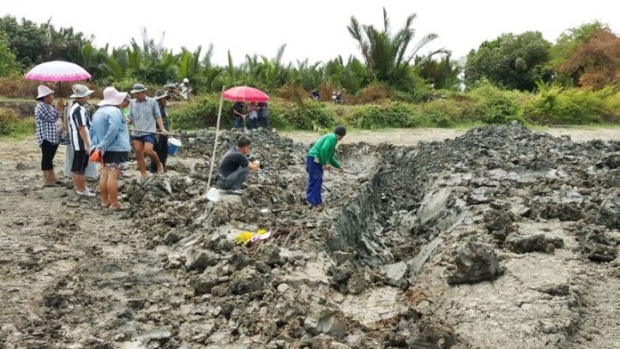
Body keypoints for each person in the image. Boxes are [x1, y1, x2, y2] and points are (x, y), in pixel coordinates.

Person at [90, 87, 131, 211]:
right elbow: (113, 130)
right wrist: (104, 144)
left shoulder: (98, 112)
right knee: (113, 176)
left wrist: (97, 146)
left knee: (105, 174)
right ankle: (114, 204)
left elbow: (92, 131)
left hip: (102, 149)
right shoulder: (115, 111)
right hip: (115, 148)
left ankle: (104, 201)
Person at [127, 83, 168, 178]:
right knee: (138, 152)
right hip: (137, 132)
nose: (136, 95)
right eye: (135, 94)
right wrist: (127, 120)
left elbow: (158, 116)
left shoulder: (152, 102)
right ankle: (144, 174)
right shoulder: (132, 103)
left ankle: (159, 164)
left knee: (149, 150)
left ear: (143, 92)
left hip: (149, 131)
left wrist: (162, 129)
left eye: (138, 93)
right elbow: (130, 116)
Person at [306, 125, 347, 209]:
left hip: (313, 157)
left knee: (315, 179)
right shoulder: (332, 138)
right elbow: (323, 149)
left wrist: (338, 166)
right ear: (342, 136)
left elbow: (330, 156)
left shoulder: (331, 138)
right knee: (316, 180)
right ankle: (315, 202)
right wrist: (324, 164)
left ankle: (314, 201)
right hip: (315, 158)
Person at [67, 84, 96, 197]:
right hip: (81, 142)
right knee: (80, 167)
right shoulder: (79, 109)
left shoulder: (72, 106)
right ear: (81, 97)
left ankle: (79, 187)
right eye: (87, 96)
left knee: (77, 165)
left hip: (76, 141)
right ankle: (81, 189)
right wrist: (88, 143)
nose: (88, 98)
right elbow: (82, 127)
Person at [34, 85, 65, 187]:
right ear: (45, 97)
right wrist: (59, 109)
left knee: (49, 158)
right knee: (47, 158)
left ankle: (53, 178)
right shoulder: (41, 106)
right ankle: (48, 180)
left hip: (53, 136)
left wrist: (58, 109)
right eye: (51, 95)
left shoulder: (49, 106)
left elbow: (56, 118)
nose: (53, 97)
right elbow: (52, 118)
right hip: (46, 137)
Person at [149, 90, 170, 174]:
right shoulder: (155, 108)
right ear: (160, 99)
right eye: (164, 98)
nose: (166, 100)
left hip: (164, 132)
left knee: (164, 150)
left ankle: (162, 167)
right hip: (157, 133)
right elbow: (151, 120)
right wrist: (156, 129)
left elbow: (165, 121)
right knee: (158, 150)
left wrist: (167, 131)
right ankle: (154, 169)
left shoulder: (163, 108)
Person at [119, 94, 131, 180]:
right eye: (127, 102)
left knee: (124, 154)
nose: (128, 104)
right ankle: (118, 173)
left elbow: (129, 118)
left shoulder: (126, 109)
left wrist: (129, 120)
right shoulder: (117, 110)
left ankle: (122, 172)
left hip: (126, 134)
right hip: (120, 135)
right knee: (119, 155)